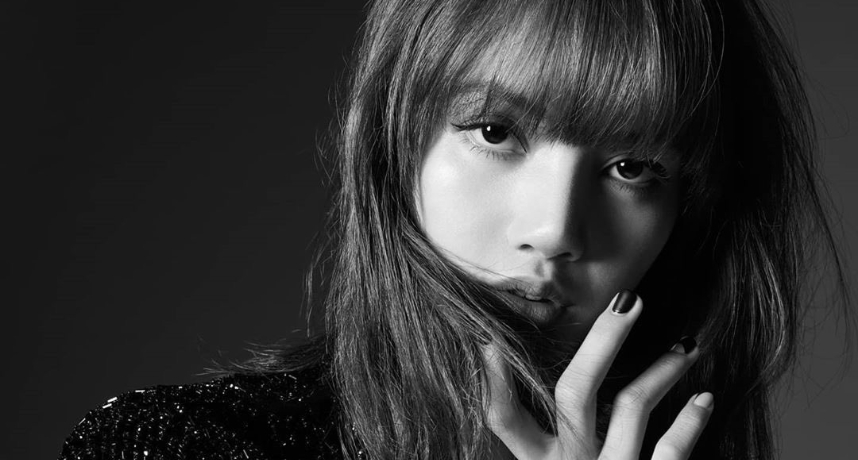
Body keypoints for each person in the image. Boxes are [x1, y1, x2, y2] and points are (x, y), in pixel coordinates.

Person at [58, 0, 849, 459]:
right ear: (393, 143)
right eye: (495, 132)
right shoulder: (184, 445)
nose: (554, 230)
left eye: (634, 167)